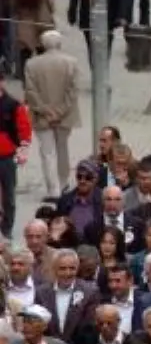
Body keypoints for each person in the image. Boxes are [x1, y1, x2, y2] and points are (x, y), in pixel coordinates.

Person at [22, 30, 81, 199]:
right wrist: (61, 111)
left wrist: (46, 110)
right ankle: (64, 185)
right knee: (63, 149)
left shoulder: (32, 64)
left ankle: (53, 189)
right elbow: (73, 91)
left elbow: (30, 91)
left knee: (47, 152)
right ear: (60, 44)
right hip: (65, 115)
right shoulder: (71, 62)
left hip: (42, 116)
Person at [0, 70, 34, 238]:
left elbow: (24, 130)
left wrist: (23, 151)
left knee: (9, 195)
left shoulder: (13, 105)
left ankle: (6, 228)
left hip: (6, 157)